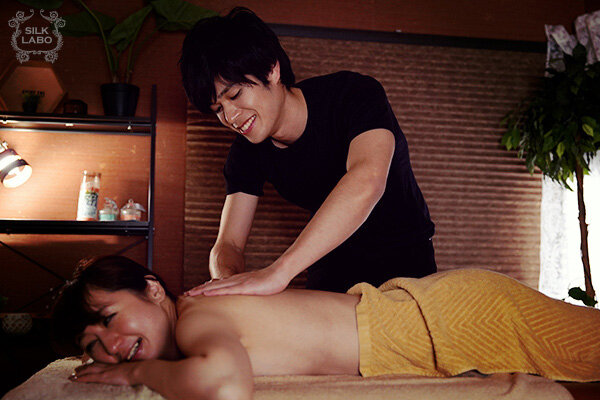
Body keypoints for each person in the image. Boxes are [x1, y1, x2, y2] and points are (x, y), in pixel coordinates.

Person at [53, 256, 600, 400]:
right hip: (431, 319)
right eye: (93, 347)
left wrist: (135, 376)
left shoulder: (196, 317)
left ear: (152, 289)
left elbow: (224, 385)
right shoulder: (194, 318)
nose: (112, 347)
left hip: (449, 319)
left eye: (109, 320)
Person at [178, 7, 436, 296]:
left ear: (271, 70)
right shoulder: (246, 152)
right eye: (218, 109)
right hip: (332, 261)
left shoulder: (353, 94)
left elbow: (367, 181)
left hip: (405, 256)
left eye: (235, 95)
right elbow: (229, 244)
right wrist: (226, 283)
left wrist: (278, 272)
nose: (230, 117)